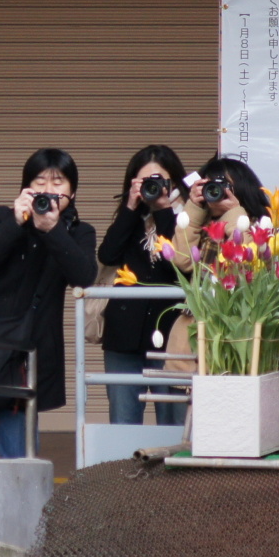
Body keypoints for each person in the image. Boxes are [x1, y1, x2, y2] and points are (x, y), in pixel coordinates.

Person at [0, 148, 97, 458]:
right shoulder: (3, 218)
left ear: (73, 190)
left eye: (58, 182)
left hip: (26, 355)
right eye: (39, 180)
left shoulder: (78, 232)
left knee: (16, 453)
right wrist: (16, 224)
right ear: (25, 187)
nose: (48, 189)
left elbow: (83, 277)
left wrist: (53, 230)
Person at [97, 145, 188, 425]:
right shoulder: (129, 220)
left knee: (172, 423)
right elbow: (108, 255)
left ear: (174, 183)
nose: (153, 187)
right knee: (123, 421)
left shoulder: (187, 219)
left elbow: (179, 264)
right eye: (145, 181)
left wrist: (163, 210)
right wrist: (130, 207)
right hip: (123, 338)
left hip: (171, 336)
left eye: (160, 181)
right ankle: (124, 470)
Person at [164, 156, 270, 374]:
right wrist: (193, 208)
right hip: (195, 338)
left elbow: (251, 261)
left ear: (242, 189)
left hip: (238, 338)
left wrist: (235, 213)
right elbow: (182, 260)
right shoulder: (201, 226)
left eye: (224, 186)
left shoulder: (259, 227)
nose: (216, 192)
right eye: (210, 185)